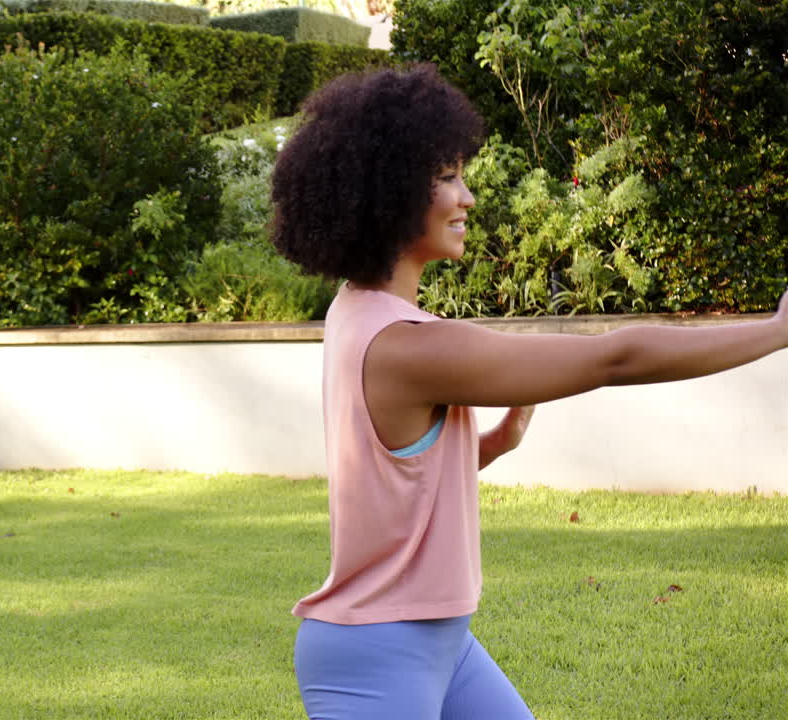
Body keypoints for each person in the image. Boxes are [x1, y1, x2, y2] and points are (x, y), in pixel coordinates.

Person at [270, 65, 788, 719]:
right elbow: (616, 359)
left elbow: (389, 475)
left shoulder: (355, 310)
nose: (468, 197)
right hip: (378, 658)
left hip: (443, 644)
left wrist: (491, 443)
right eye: (447, 176)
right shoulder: (410, 347)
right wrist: (777, 329)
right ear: (388, 191)